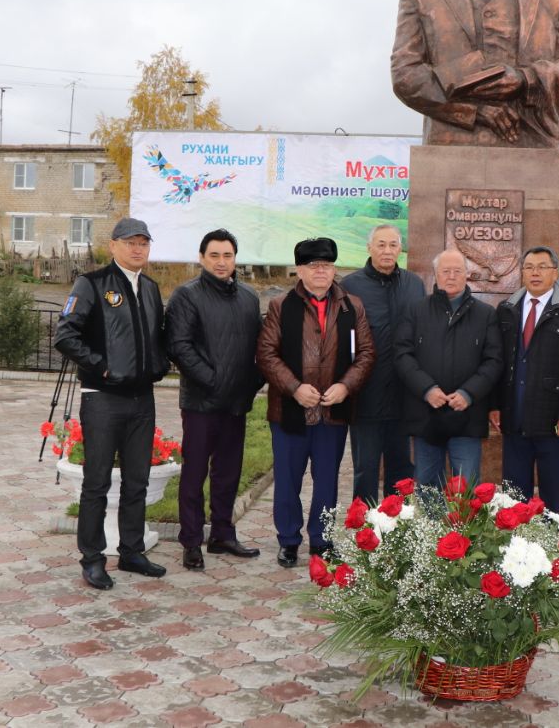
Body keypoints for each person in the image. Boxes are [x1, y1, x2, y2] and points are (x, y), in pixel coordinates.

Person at [391, 0, 559, 254]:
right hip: (451, 145)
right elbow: (405, 75)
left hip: (531, 143)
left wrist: (526, 80)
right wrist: (475, 112)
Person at [54, 217, 170, 590]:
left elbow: (156, 337)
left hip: (142, 399)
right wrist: (102, 367)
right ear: (114, 245)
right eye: (131, 242)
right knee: (97, 483)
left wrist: (159, 364)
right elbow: (66, 335)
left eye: (144, 243)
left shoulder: (150, 288)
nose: (138, 249)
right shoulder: (92, 284)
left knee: (138, 479)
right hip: (103, 398)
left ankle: (132, 551)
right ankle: (92, 558)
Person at [257, 238, 375, 568]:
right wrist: (294, 388)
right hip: (289, 411)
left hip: (333, 411)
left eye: (326, 264)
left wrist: (345, 386)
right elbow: (266, 354)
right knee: (288, 480)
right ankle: (289, 540)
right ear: (299, 270)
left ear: (334, 268)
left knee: (327, 480)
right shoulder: (281, 305)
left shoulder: (353, 305)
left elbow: (366, 354)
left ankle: (321, 540)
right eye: (312, 265)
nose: (320, 270)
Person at [165, 229, 263, 572]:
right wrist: (214, 382)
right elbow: (180, 346)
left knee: (228, 473)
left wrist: (250, 385)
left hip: (236, 404)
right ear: (202, 258)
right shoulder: (186, 296)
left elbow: (260, 350)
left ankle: (222, 533)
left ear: (236, 259)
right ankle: (191, 541)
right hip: (200, 403)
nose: (222, 262)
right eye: (215, 255)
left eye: (228, 255)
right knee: (194, 474)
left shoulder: (250, 298)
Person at [491, 246, 559, 512]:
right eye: (529, 267)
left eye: (542, 267)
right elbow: (497, 363)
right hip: (514, 419)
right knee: (514, 496)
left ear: (555, 272)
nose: (535, 273)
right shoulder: (507, 309)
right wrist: (495, 405)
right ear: (522, 273)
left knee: (553, 496)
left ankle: (552, 548)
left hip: (555, 423)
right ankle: (516, 548)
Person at [394, 249, 503, 488]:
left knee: (466, 490)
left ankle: (463, 527)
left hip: (467, 415)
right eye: (445, 271)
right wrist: (427, 389)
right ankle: (430, 527)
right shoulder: (416, 310)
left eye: (457, 271)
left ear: (467, 275)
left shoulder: (485, 314)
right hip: (426, 414)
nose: (451, 276)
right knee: (427, 486)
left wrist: (468, 393)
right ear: (435, 275)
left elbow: (493, 360)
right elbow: (402, 355)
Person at [341, 224, 425, 502]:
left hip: (404, 396)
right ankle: (364, 532)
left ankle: (396, 534)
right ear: (369, 248)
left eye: (392, 245)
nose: (387, 250)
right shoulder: (350, 286)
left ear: (400, 249)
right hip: (366, 395)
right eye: (381, 244)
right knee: (365, 469)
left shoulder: (415, 285)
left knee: (401, 471)